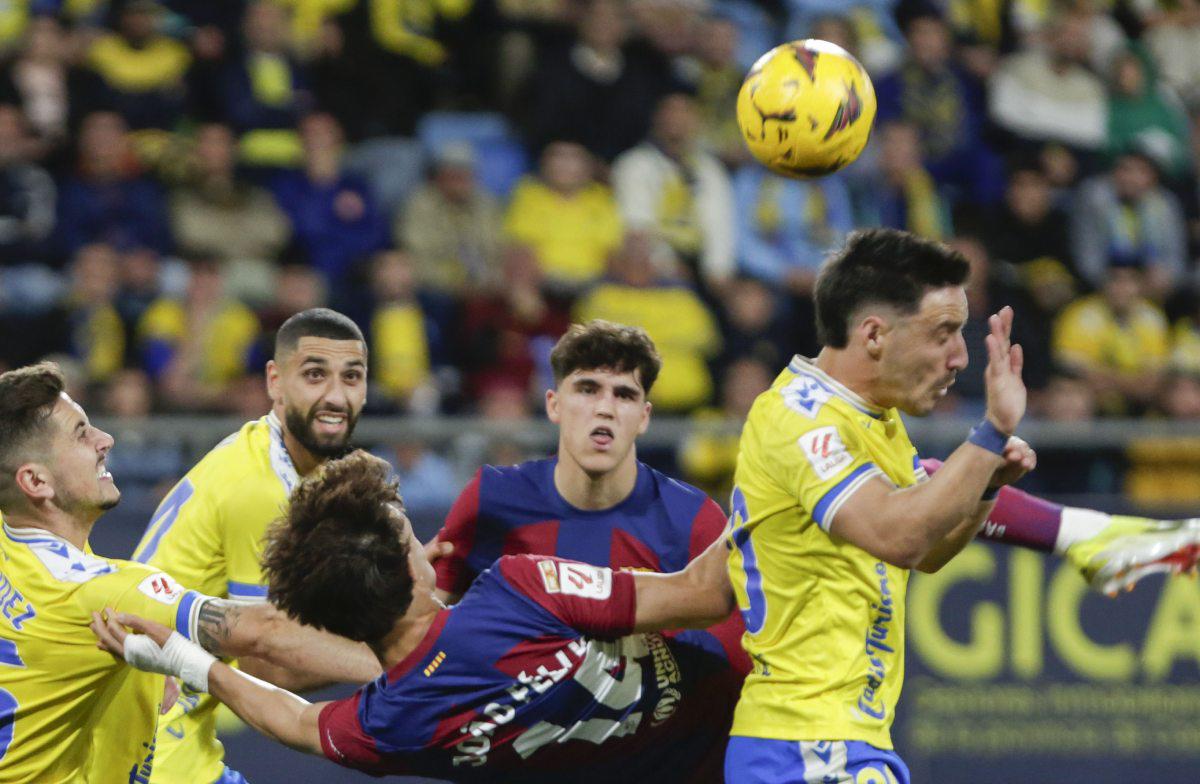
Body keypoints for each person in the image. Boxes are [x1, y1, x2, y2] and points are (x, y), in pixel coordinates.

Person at [94, 450, 740, 781]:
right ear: (410, 567)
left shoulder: (385, 723)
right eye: (409, 534)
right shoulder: (520, 589)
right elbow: (707, 592)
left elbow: (293, 720)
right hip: (748, 721)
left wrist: (184, 660)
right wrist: (779, 473)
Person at [0, 362, 376, 783]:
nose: (105, 440)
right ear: (35, 481)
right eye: (81, 433)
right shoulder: (103, 592)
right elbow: (263, 633)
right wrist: (411, 656)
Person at [130, 307, 376, 784]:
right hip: (152, 743)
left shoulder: (299, 468)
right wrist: (396, 659)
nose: (336, 396)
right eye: (314, 375)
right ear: (274, 381)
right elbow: (267, 663)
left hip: (181, 732)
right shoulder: (258, 486)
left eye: (353, 377)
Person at [433, 320, 746, 678]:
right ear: (554, 405)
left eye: (624, 395)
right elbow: (422, 632)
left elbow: (732, 665)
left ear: (644, 417)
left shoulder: (694, 520)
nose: (605, 409)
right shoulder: (492, 498)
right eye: (587, 389)